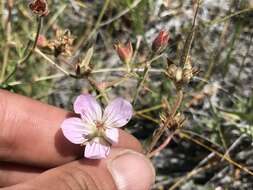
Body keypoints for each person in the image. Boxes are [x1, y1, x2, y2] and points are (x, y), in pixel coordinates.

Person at [0, 90, 155, 190]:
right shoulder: (91, 140)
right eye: (98, 125)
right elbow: (68, 129)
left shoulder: (114, 126)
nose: (99, 126)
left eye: (100, 125)